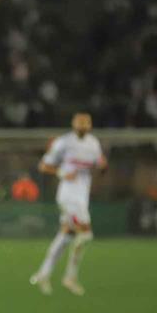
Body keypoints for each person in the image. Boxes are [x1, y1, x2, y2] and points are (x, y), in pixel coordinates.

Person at [29, 113, 107, 295]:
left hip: (82, 196)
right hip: (68, 196)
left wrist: (103, 166)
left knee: (67, 235)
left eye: (86, 122)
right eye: (80, 122)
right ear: (74, 124)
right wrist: (61, 173)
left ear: (90, 125)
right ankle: (70, 277)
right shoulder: (64, 142)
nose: (83, 125)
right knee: (86, 234)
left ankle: (43, 274)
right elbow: (43, 165)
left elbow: (100, 166)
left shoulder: (94, 144)